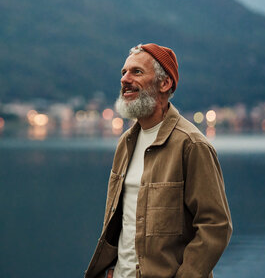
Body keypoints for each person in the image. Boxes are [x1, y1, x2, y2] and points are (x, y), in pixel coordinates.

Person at [84, 44, 232, 278]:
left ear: (165, 83)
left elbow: (215, 226)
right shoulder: (126, 142)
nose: (125, 79)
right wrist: (112, 267)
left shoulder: (192, 145)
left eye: (137, 72)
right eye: (123, 72)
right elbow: (123, 218)